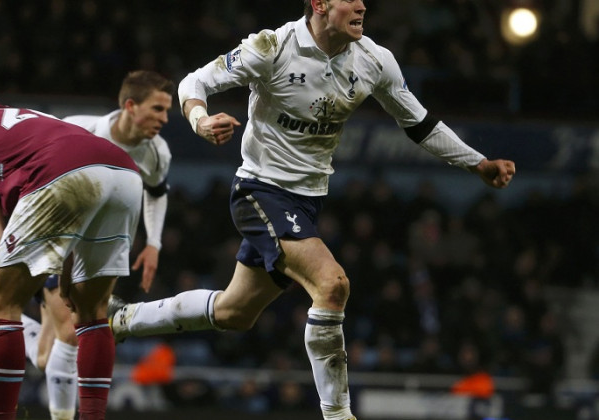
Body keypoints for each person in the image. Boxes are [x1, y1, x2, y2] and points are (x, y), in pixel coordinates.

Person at [108, 1, 516, 420]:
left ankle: (123, 319)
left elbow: (420, 124)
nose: (362, 6)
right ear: (320, 4)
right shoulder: (272, 47)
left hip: (306, 202)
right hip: (259, 190)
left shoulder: (375, 60)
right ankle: (338, 415)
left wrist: (478, 163)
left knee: (235, 312)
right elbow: (195, 82)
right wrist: (200, 120)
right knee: (332, 283)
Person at [0, 70, 175, 420]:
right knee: (73, 334)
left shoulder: (157, 153)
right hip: (54, 226)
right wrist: (7, 249)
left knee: (47, 355)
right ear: (130, 106)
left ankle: (4, 318)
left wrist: (155, 243)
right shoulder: (80, 128)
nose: (164, 119)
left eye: (167, 111)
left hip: (94, 235)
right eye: (158, 109)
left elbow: (158, 194)